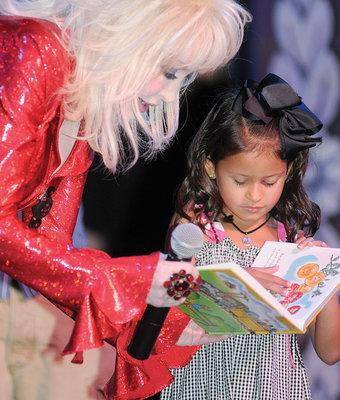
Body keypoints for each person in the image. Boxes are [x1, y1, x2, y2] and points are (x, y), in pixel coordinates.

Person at [0, 0, 252, 399]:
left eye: (183, 78)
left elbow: (50, 257)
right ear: (130, 33)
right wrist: (130, 284)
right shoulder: (38, 48)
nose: (169, 95)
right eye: (168, 71)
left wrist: (159, 322)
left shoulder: (79, 94)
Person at [160, 73, 340, 400]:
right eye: (240, 181)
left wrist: (323, 282)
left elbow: (330, 352)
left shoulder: (289, 240)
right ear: (211, 167)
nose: (254, 195)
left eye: (269, 182)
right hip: (203, 387)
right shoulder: (195, 226)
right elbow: (167, 300)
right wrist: (237, 284)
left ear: (289, 173)